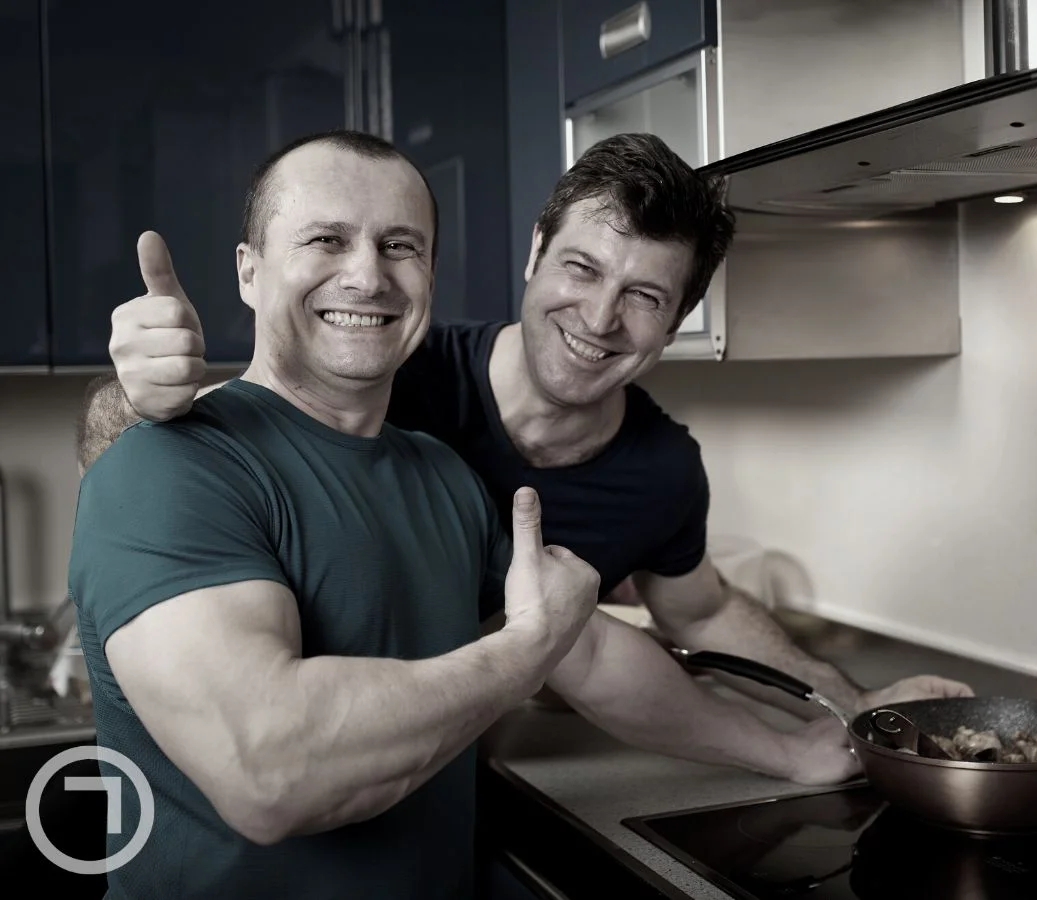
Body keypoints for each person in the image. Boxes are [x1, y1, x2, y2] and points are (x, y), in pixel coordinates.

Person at [68, 130, 861, 900]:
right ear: (249, 270)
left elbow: (589, 655)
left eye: (400, 246)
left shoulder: (442, 475)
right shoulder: (162, 462)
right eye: (325, 240)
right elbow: (272, 774)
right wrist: (523, 651)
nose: (367, 277)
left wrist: (794, 752)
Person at [81, 131, 973, 723]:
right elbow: (203, 449)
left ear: (674, 326)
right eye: (580, 268)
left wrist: (851, 702)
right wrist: (138, 391)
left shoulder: (662, 466)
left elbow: (689, 610)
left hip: (469, 780)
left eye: (645, 298)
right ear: (534, 252)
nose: (598, 317)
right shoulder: (390, 370)